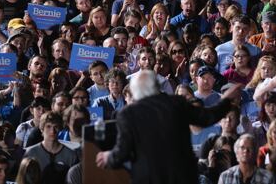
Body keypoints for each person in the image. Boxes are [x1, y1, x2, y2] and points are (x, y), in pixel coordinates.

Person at [96, 70, 241, 184]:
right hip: (183, 177)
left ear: (135, 91)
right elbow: (207, 118)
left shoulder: (127, 114)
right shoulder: (177, 103)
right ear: (156, 87)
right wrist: (226, 100)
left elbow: (123, 151)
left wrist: (109, 157)